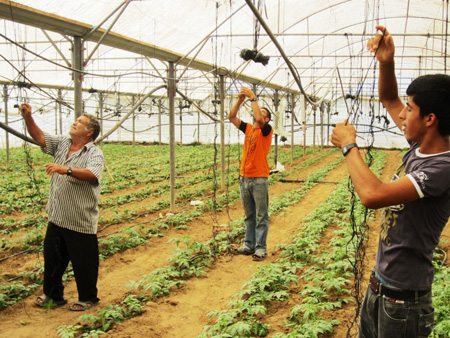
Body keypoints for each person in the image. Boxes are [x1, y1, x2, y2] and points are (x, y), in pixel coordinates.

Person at [331, 26, 450, 337]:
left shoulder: (442, 168)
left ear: (430, 119)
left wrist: (348, 145)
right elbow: (388, 97)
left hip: (404, 305)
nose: (402, 114)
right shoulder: (420, 145)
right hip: (380, 289)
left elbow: (372, 194)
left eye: (409, 109)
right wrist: (386, 61)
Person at [20, 103, 104, 311]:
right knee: (53, 258)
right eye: (76, 120)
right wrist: (28, 117)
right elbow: (39, 137)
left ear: (89, 132)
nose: (75, 123)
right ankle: (53, 295)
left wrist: (65, 169)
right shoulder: (62, 143)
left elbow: (92, 175)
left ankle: (87, 298)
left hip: (79, 219)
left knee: (84, 261)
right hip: (57, 215)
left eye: (80, 122)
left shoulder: (94, 153)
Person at [227, 87, 273, 262]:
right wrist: (240, 100)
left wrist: (253, 98)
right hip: (244, 177)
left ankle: (261, 248)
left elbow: (260, 120)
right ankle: (248, 245)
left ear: (267, 119)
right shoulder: (248, 129)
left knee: (262, 215)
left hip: (259, 178)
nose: (257, 114)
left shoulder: (266, 130)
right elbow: (231, 117)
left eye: (262, 113)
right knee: (249, 215)